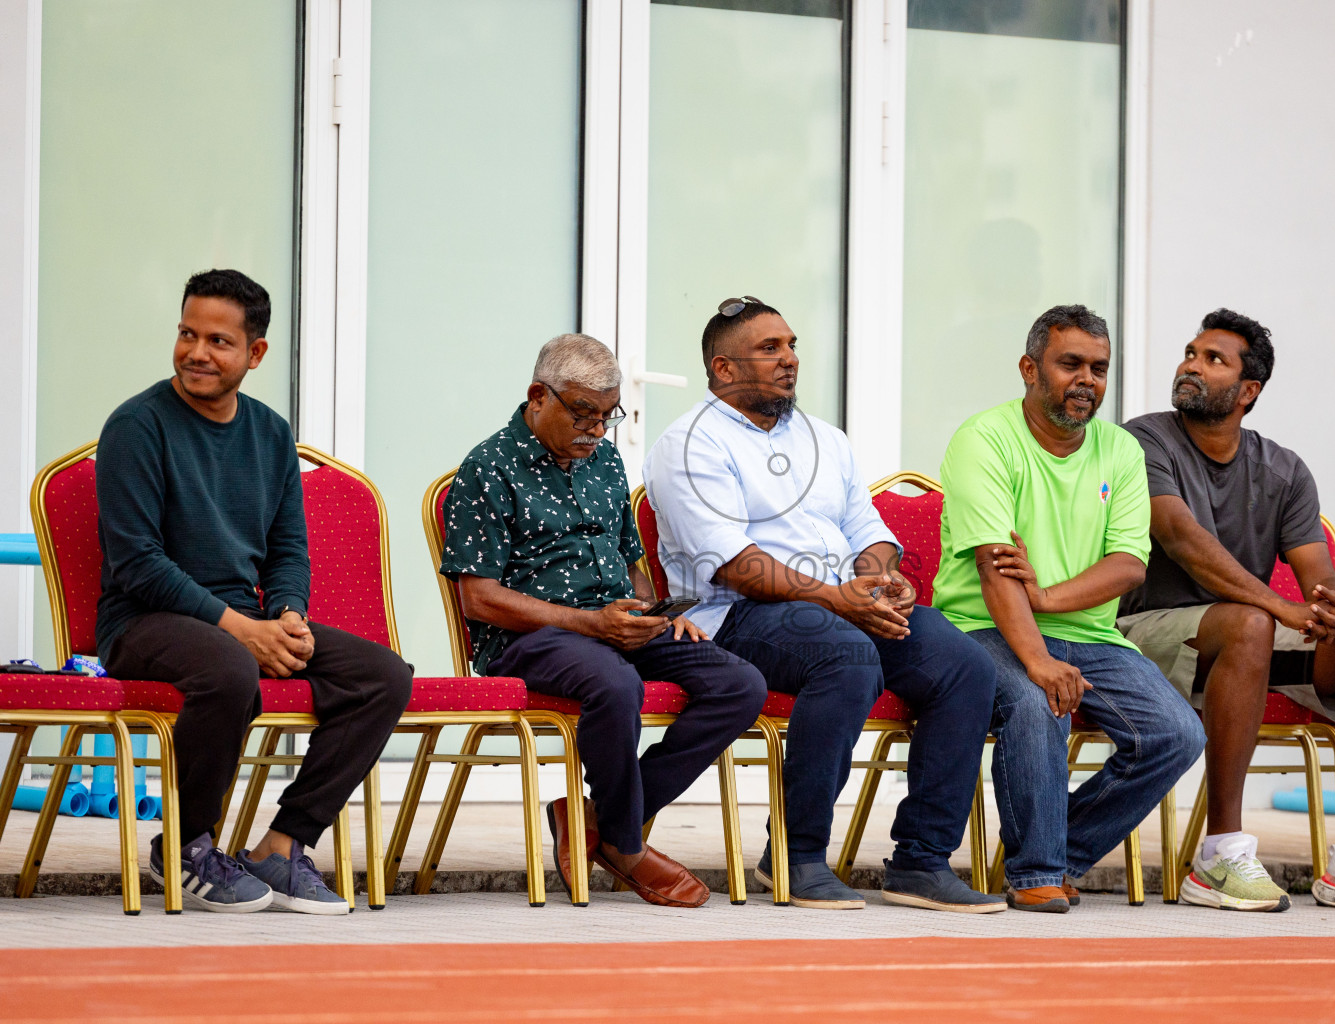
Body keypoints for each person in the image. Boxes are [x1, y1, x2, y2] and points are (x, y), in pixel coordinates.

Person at [644, 297, 1004, 914]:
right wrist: (840, 599)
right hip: (735, 616)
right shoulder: (689, 447)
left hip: (841, 605)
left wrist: (881, 579)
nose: (790, 360)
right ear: (723, 369)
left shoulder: (824, 440)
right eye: (770, 349)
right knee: (846, 658)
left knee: (966, 666)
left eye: (791, 345)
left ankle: (920, 861)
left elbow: (868, 529)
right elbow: (738, 566)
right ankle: (796, 854)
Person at [97, 269, 413, 914]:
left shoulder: (269, 432)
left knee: (383, 675)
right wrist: (244, 631)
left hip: (243, 619)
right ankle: (184, 846)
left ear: (255, 353)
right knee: (230, 669)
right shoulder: (137, 425)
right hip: (145, 620)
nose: (196, 353)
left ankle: (284, 843)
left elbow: (288, 549)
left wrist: (288, 617)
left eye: (218, 340)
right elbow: (138, 562)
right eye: (188, 334)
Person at [1116, 308, 1335, 912]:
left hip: (1248, 639)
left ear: (1248, 390)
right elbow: (1182, 539)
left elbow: (1316, 571)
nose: (1192, 364)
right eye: (1190, 352)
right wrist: (1280, 608)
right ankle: (1219, 855)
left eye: (1214, 359)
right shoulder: (1143, 439)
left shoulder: (1283, 468)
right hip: (1140, 634)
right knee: (1251, 622)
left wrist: (1333, 607)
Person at [439, 333, 766, 908]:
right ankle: (623, 844)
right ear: (538, 396)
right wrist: (591, 625)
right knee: (616, 685)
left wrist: (656, 615)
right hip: (529, 638)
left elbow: (628, 559)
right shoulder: (487, 468)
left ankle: (596, 816)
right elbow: (479, 598)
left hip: (617, 626)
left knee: (739, 684)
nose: (597, 430)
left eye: (607, 415)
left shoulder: (606, 460)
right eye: (584, 414)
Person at [935, 304, 1206, 913]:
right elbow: (994, 566)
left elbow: (1129, 564)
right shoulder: (984, 438)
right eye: (1070, 364)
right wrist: (1036, 656)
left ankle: (1055, 849)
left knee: (1176, 734)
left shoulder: (1120, 450)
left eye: (1099, 368)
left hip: (1089, 633)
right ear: (1030, 368)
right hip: (981, 627)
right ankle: (1036, 871)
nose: (1087, 380)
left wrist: (1048, 597)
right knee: (1038, 700)